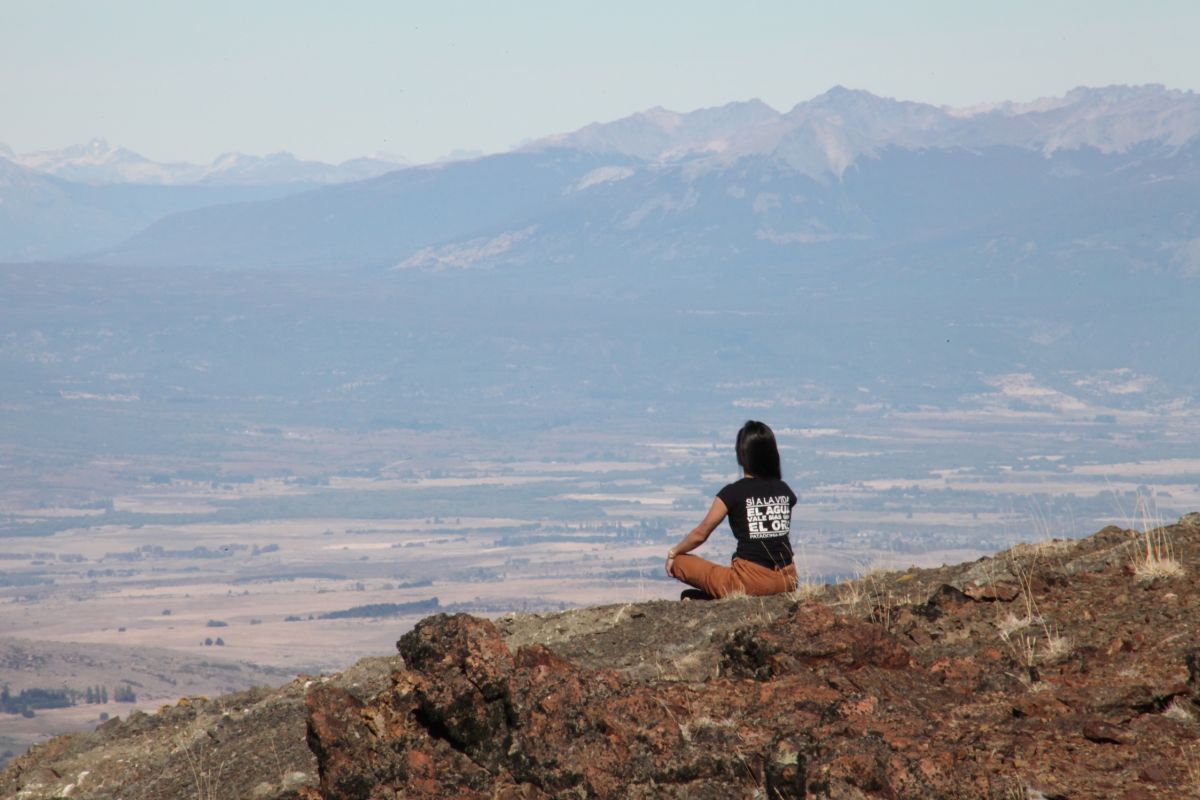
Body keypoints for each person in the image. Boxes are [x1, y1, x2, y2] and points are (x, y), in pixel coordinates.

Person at [666, 420, 798, 599]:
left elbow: (700, 534)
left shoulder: (733, 493)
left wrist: (674, 552)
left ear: (742, 455)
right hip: (787, 580)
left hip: (749, 583)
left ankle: (713, 596)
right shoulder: (785, 490)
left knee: (680, 563)